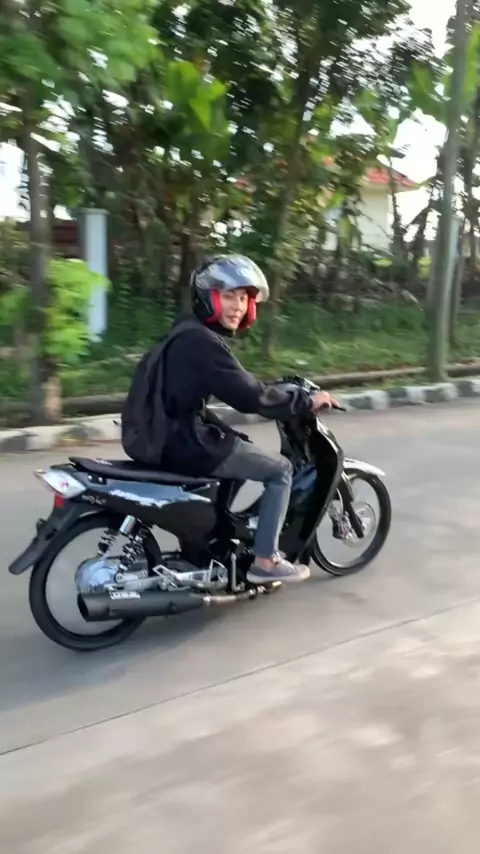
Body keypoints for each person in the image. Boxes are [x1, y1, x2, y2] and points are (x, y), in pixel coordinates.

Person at [162, 254, 339, 585]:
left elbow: (236, 383)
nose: (238, 307)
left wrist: (269, 390)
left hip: (161, 432)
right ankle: (265, 561)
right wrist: (304, 401)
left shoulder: (187, 331)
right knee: (280, 469)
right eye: (229, 296)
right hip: (180, 440)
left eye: (244, 298)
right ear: (209, 298)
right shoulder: (203, 342)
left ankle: (215, 539)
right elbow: (249, 397)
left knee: (238, 443)